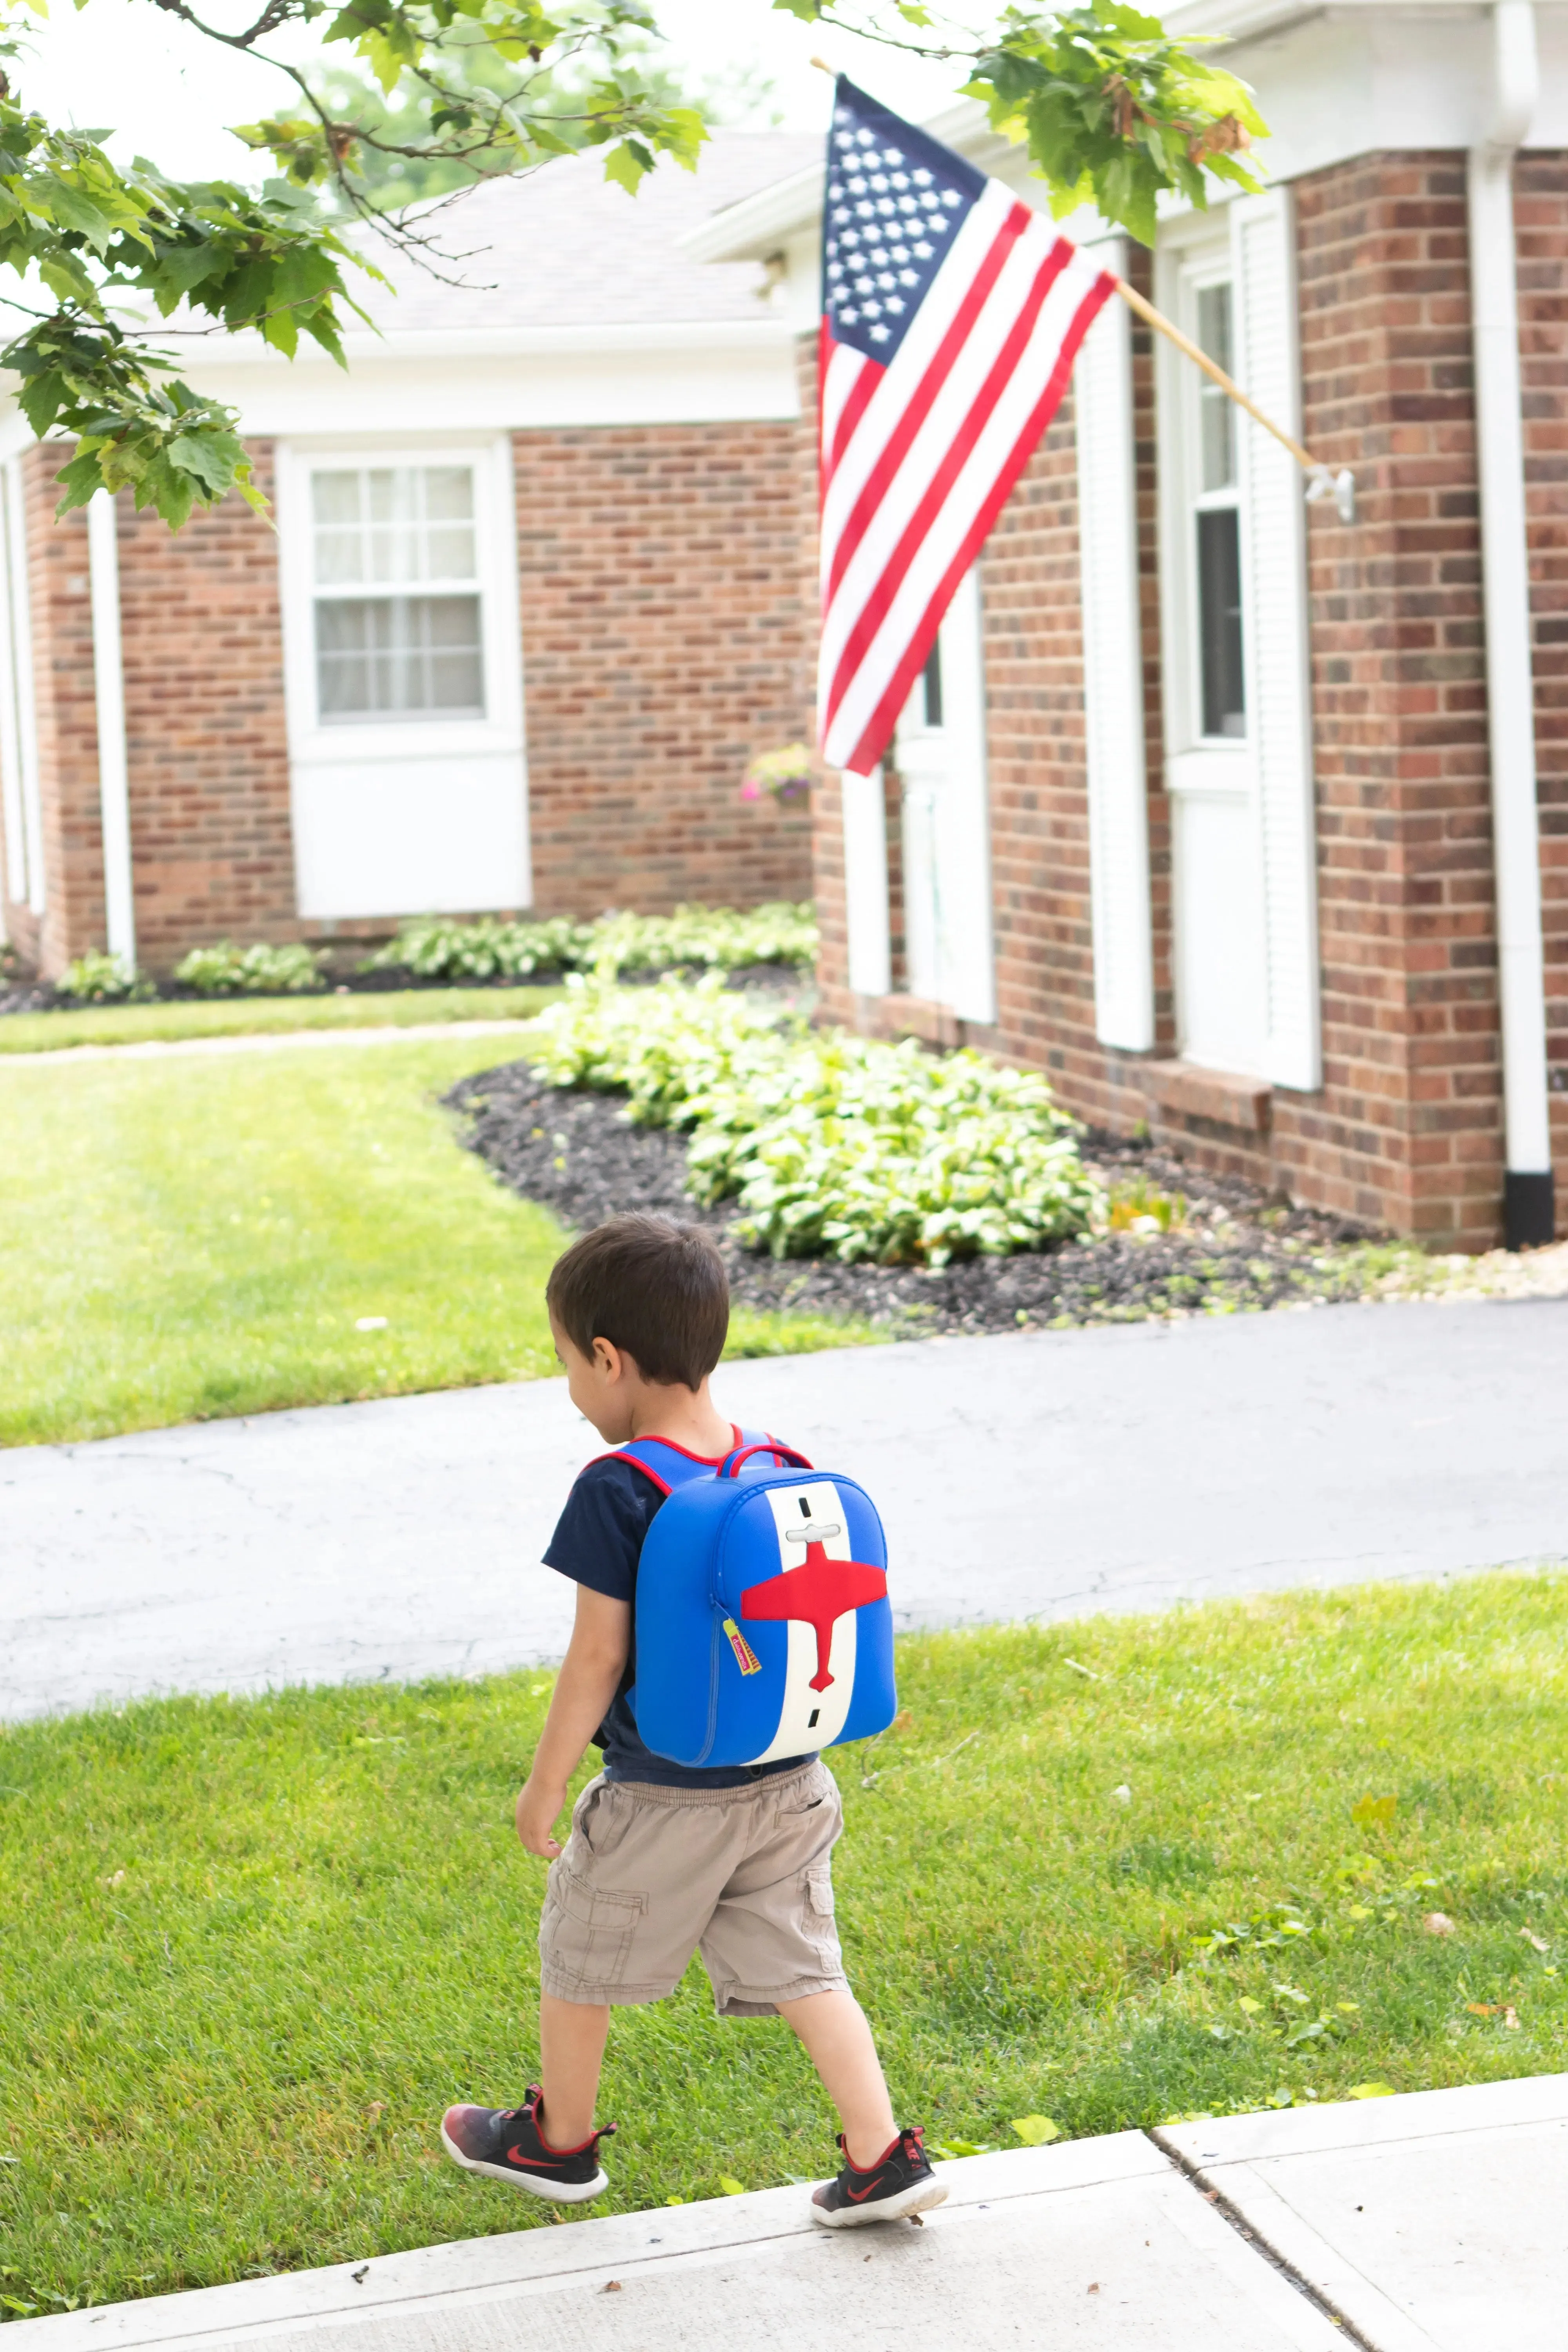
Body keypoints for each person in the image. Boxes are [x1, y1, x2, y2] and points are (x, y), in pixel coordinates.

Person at [441, 1212, 944, 2229]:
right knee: (808, 1969)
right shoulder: (775, 1460)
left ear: (608, 1358)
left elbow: (597, 1658)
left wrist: (545, 1787)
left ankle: (560, 2143)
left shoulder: (618, 1490)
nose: (573, 1393)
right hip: (793, 1784)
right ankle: (882, 2155)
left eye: (568, 1368)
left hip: (663, 1799)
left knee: (580, 1954)